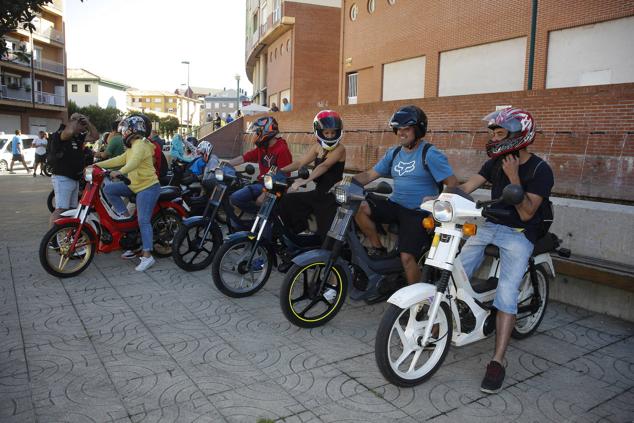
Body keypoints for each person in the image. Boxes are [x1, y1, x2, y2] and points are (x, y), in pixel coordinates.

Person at [457, 108, 554, 394]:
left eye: (500, 133)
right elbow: (469, 186)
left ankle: (498, 361)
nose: (494, 139)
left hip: (520, 233)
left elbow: (526, 213)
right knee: (457, 269)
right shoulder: (496, 162)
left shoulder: (540, 170)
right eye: (493, 133)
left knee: (507, 293)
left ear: (518, 136)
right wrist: (444, 198)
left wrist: (514, 177)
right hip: (490, 224)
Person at [352, 105, 457, 284]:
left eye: (406, 129)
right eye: (398, 129)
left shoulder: (429, 154)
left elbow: (453, 183)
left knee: (407, 258)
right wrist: (348, 183)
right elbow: (370, 175)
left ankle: (416, 300)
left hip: (418, 211)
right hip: (395, 205)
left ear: (418, 130)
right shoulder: (393, 153)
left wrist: (438, 200)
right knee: (358, 204)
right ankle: (378, 248)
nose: (401, 133)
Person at [98, 115, 161, 272]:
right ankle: (124, 215)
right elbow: (119, 159)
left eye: (125, 129)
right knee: (109, 189)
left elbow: (133, 163)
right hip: (134, 185)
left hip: (148, 187)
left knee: (143, 220)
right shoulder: (132, 147)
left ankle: (147, 256)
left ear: (133, 129)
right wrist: (95, 165)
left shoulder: (140, 145)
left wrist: (119, 172)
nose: (123, 132)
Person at [278, 110, 346, 240]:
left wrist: (305, 181)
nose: (330, 136)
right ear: (319, 132)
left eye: (333, 133)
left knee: (325, 236)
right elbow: (300, 162)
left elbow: (324, 166)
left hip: (332, 197)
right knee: (286, 200)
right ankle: (298, 231)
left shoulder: (340, 149)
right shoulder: (317, 147)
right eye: (326, 132)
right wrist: (279, 171)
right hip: (318, 193)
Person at [226, 116, 292, 214]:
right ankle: (257, 216)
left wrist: (265, 193)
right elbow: (244, 158)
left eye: (258, 133)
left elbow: (283, 176)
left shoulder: (282, 150)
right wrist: (226, 164)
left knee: (236, 198)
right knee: (234, 195)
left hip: (274, 187)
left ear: (266, 132)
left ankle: (261, 216)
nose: (256, 136)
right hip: (261, 184)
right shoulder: (262, 148)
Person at [49, 113, 99, 226]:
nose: (83, 128)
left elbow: (95, 136)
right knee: (61, 209)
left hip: (74, 178)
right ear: (73, 122)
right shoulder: (60, 133)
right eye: (81, 125)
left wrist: (88, 123)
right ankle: (52, 237)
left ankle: (67, 235)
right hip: (63, 177)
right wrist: (75, 120)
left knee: (71, 209)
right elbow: (69, 132)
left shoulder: (78, 137)